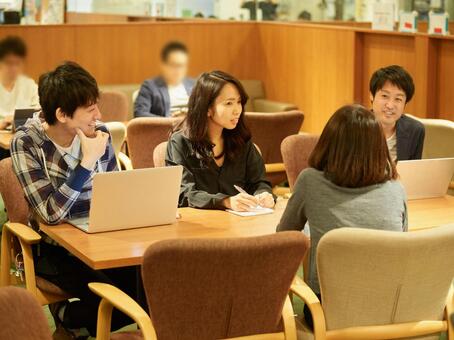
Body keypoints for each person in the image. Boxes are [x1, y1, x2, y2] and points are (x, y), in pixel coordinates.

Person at [10, 62, 138, 338]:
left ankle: (69, 318)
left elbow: (114, 193)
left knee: (151, 289)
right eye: (90, 110)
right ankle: (66, 317)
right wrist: (87, 162)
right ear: (62, 114)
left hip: (100, 239)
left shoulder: (99, 133)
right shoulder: (26, 144)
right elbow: (51, 215)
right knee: (116, 302)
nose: (99, 116)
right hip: (55, 248)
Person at [276, 104, 407, 327]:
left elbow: (284, 237)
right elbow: (402, 243)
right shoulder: (396, 188)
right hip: (389, 309)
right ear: (378, 147)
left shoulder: (309, 181)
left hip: (328, 313)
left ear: (328, 143)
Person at [166, 70, 275, 211]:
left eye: (239, 102)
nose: (237, 110)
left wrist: (263, 194)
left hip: (243, 225)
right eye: (229, 103)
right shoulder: (180, 142)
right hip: (201, 226)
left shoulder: (242, 140)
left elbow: (259, 182)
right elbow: (183, 194)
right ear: (207, 108)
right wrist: (225, 201)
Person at [370, 65, 425, 161]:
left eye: (398, 99)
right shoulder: (351, 127)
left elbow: (414, 172)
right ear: (371, 95)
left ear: (405, 103)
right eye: (384, 96)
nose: (390, 105)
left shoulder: (415, 130)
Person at [134, 41, 194, 118]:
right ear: (163, 65)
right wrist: (169, 121)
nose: (178, 70)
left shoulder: (194, 85)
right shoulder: (150, 86)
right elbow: (140, 113)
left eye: (182, 65)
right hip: (165, 128)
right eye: (174, 65)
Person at [0, 36, 39, 131]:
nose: (13, 68)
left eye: (17, 63)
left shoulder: (29, 85)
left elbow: (39, 114)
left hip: (23, 137)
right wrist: (3, 123)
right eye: (9, 63)